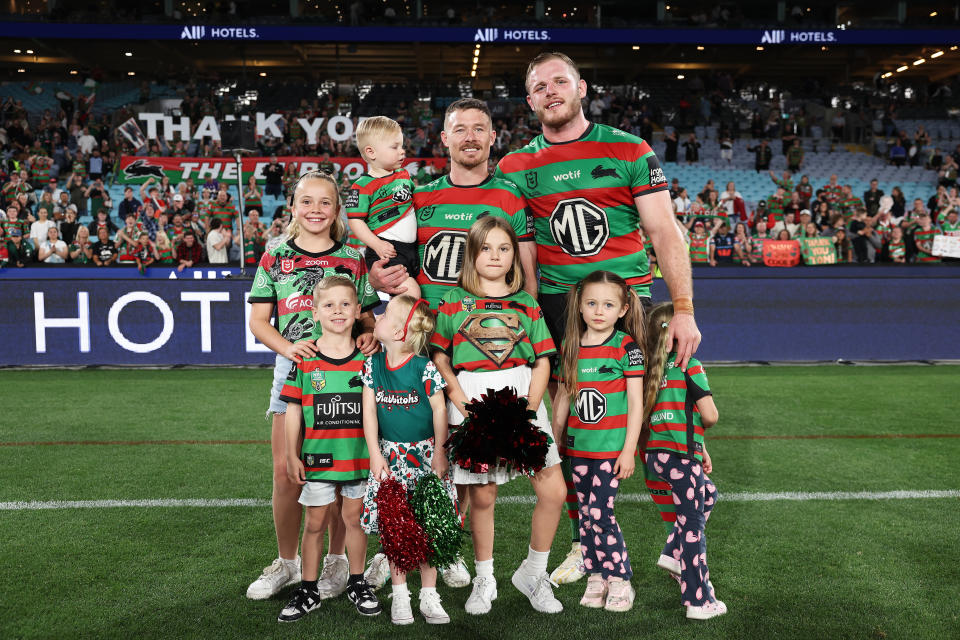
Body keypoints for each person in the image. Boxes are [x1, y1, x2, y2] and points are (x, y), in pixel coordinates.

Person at [496, 52, 699, 368]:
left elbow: (664, 231)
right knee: (570, 411)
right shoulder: (513, 168)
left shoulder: (630, 149)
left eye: (560, 81)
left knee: (638, 411)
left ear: (581, 88)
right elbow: (513, 248)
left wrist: (684, 311)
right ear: (531, 102)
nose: (550, 91)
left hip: (627, 301)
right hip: (559, 306)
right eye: (540, 87)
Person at [246, 171, 380, 604]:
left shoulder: (353, 256)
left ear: (337, 209)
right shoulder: (274, 256)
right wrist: (290, 347)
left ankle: (337, 562)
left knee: (345, 474)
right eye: (307, 202)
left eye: (325, 202)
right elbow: (258, 322)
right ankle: (286, 564)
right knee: (287, 472)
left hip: (347, 377)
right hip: (295, 371)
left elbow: (367, 317)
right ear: (293, 207)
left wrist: (368, 334)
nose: (316, 210)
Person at [430, 216, 564, 615]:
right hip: (472, 397)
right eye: (486, 247)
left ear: (514, 256)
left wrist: (528, 408)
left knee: (553, 490)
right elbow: (440, 356)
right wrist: (462, 404)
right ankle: (484, 577)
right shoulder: (453, 301)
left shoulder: (525, 303)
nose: (495, 255)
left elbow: (542, 361)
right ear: (471, 253)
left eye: (504, 248)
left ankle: (533, 572)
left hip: (523, 396)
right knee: (483, 494)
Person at [277, 275, 382, 622]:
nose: (338, 310)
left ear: (357, 310)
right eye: (329, 304)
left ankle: (356, 581)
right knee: (315, 523)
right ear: (315, 311)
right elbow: (293, 410)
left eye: (345, 304)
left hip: (358, 458)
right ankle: (308, 588)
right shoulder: (305, 357)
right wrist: (292, 453)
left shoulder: (369, 358)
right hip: (318, 458)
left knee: (355, 521)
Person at [552, 271, 646, 612]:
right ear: (579, 305)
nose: (598, 311)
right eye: (591, 303)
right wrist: (554, 437)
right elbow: (563, 396)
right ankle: (596, 575)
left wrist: (628, 450)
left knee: (601, 511)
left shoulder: (626, 347)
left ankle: (620, 577)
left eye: (608, 304)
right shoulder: (570, 346)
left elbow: (636, 403)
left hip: (610, 451)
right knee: (586, 514)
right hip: (578, 450)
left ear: (622, 309)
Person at [360, 295, 456, 625]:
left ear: (400, 332)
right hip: (390, 458)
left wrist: (441, 452)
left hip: (426, 457)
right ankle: (400, 595)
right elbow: (369, 411)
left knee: (429, 525)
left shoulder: (423, 366)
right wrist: (375, 452)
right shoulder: (372, 365)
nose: (378, 319)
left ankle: (429, 595)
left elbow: (440, 409)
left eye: (384, 316)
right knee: (394, 528)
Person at [641, 302, 725, 620]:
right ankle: (698, 601)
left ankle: (671, 553)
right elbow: (710, 415)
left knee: (708, 494)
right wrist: (697, 441)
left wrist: (698, 446)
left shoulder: (652, 369)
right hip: (680, 457)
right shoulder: (690, 365)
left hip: (657, 456)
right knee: (693, 528)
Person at [346, 116, 420, 298]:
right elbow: (355, 221)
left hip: (413, 250)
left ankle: (388, 322)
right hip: (388, 251)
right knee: (410, 294)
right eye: (395, 147)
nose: (402, 152)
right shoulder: (362, 186)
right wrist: (377, 244)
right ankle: (391, 325)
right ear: (371, 152)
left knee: (408, 296)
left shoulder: (403, 175)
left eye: (402, 146)